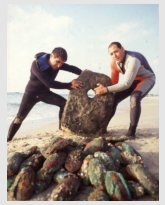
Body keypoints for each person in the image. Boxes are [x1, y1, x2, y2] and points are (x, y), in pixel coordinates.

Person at [7, 47, 85, 142]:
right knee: (19, 118)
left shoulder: (58, 64)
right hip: (31, 94)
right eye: (57, 61)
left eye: (62, 63)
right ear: (51, 55)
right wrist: (69, 85)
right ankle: (8, 139)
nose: (59, 65)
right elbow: (49, 83)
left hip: (45, 93)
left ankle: (61, 130)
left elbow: (71, 68)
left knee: (64, 103)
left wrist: (83, 72)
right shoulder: (37, 64)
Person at [94, 42, 156, 138]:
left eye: (116, 51)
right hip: (132, 81)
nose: (114, 55)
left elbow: (126, 84)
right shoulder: (113, 63)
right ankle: (102, 127)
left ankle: (131, 132)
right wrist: (105, 87)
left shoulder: (133, 59)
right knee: (114, 99)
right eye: (111, 54)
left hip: (146, 79)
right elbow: (114, 84)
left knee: (134, 98)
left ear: (122, 48)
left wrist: (105, 89)